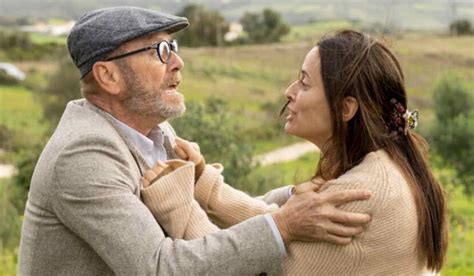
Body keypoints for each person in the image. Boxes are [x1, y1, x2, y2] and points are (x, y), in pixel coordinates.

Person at [17, 7, 373, 275]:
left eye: (173, 47)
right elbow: (161, 266)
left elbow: (206, 227)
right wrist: (283, 225)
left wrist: (296, 197)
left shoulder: (154, 133)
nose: (177, 63)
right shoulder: (84, 154)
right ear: (108, 76)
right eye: (158, 51)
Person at [140, 29, 448, 275]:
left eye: (304, 83)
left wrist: (177, 203)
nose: (289, 92)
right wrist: (204, 184)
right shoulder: (384, 166)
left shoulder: (363, 195)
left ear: (345, 109)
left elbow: (245, 266)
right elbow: (279, 227)